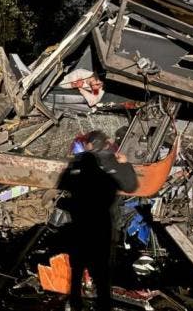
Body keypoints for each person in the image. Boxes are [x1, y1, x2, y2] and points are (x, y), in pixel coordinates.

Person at [58, 130, 139, 311]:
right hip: (103, 229)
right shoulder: (108, 177)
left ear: (90, 145)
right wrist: (126, 165)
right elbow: (130, 186)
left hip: (80, 229)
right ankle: (104, 304)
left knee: (77, 270)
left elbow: (62, 186)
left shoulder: (77, 172)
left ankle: (75, 303)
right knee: (102, 273)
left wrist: (69, 171)